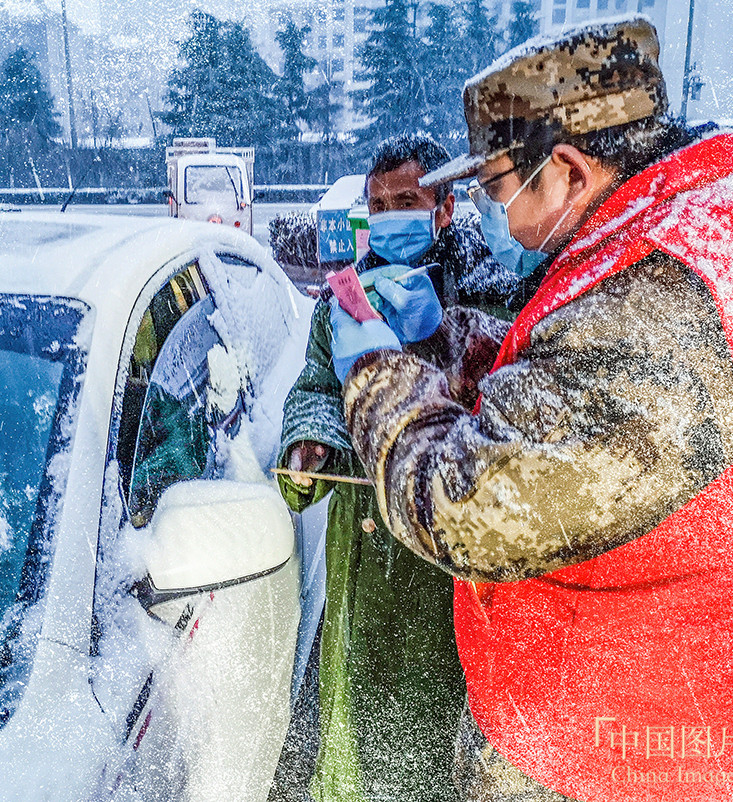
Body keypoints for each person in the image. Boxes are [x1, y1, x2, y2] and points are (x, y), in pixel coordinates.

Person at [328, 18, 733, 802]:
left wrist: (375, 377)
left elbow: (470, 508)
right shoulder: (693, 231)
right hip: (635, 718)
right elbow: (586, 407)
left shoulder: (662, 298)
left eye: (494, 187)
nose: (494, 209)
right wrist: (451, 344)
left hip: (611, 757)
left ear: (566, 168)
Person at [276, 134, 535, 802]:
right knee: (356, 715)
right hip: (363, 545)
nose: (391, 216)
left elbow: (508, 406)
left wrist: (431, 337)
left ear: (445, 209)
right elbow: (315, 386)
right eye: (379, 204)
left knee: (428, 731)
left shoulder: (499, 288)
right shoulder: (347, 292)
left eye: (407, 202)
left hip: (443, 555)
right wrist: (313, 445)